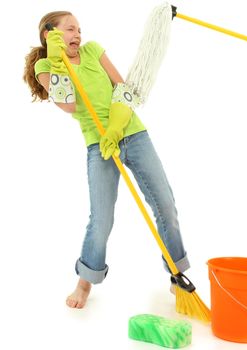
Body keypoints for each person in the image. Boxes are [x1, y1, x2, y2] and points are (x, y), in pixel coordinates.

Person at [23, 11, 191, 309]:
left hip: (132, 133)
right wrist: (58, 60)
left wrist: (116, 125)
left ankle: (177, 275)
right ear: (51, 35)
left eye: (79, 29)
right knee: (101, 219)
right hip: (98, 145)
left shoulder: (93, 50)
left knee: (165, 205)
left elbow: (124, 88)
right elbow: (69, 104)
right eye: (70, 29)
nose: (78, 34)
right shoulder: (45, 66)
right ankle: (85, 281)